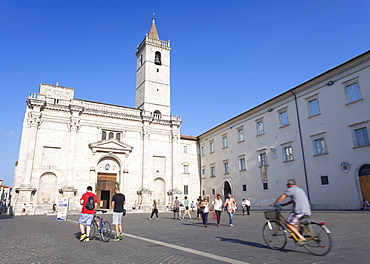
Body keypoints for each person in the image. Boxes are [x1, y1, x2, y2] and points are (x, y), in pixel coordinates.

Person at [270, 179, 311, 245]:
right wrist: (286, 204)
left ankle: (301, 237)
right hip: (307, 210)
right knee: (294, 222)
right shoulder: (300, 190)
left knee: (288, 223)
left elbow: (282, 197)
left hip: (299, 211)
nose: (287, 185)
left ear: (290, 184)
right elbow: (295, 199)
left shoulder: (291, 190)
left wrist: (275, 203)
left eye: (287, 184)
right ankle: (296, 234)